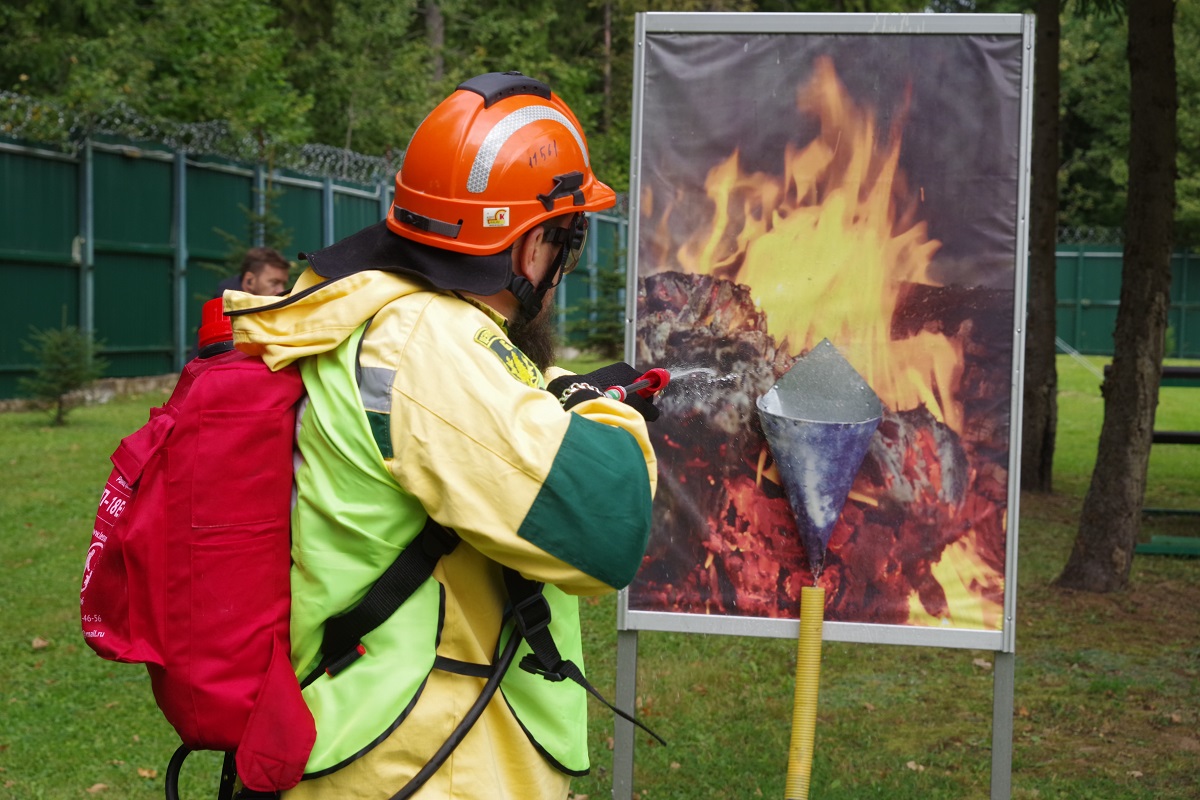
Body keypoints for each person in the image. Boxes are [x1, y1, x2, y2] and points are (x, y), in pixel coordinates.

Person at [224, 71, 659, 800]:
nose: (563, 270)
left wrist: (548, 390)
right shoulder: (427, 343)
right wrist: (600, 409)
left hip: (375, 743)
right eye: (565, 243)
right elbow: (607, 526)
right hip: (424, 761)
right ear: (531, 250)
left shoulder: (370, 309)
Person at [216, 246, 291, 297]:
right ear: (249, 281)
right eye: (274, 283)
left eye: (283, 284)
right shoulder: (227, 312)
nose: (281, 291)